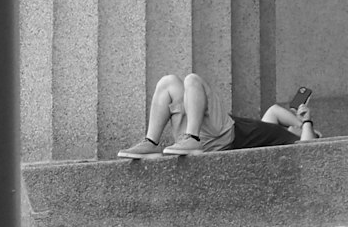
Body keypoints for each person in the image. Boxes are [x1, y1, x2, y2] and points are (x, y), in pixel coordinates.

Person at [117, 72, 319, 158]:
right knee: (168, 82)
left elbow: (308, 149)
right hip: (204, 134)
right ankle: (151, 142)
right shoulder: (271, 130)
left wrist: (307, 122)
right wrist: (298, 120)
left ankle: (192, 139)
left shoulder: (292, 140)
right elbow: (274, 111)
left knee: (192, 80)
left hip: (225, 134)